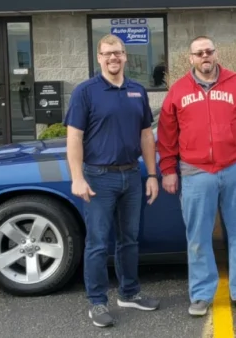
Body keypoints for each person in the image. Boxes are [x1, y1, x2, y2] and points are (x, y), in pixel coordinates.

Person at [157, 36, 236, 318]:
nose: (205, 56)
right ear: (191, 58)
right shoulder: (178, 90)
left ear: (216, 54)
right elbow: (167, 135)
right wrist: (168, 169)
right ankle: (201, 294)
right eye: (199, 53)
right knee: (197, 237)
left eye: (209, 51)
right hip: (195, 171)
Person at [65, 34, 161, 328]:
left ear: (125, 56)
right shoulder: (86, 91)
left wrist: (153, 174)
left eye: (117, 53)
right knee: (97, 244)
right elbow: (74, 137)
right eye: (107, 54)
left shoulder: (136, 90)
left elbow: (146, 134)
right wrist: (77, 177)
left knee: (129, 240)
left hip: (132, 175)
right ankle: (97, 302)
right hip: (98, 178)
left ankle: (129, 293)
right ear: (99, 58)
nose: (113, 58)